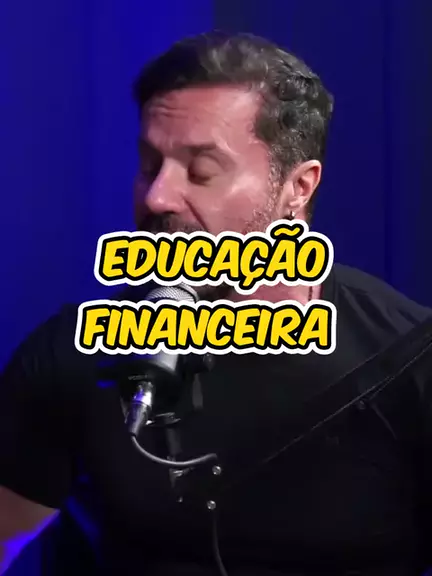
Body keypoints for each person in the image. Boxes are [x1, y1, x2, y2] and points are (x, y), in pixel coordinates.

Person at [0, 31, 431, 576]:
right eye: (149, 164)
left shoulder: (407, 359)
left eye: (201, 172)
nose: (157, 196)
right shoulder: (74, 355)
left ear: (298, 187)